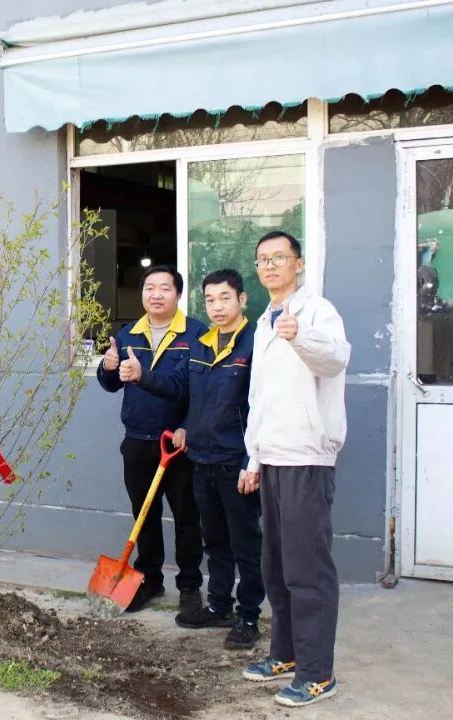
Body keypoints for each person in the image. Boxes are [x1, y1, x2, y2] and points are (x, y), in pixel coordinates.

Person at [239, 231, 350, 708]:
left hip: (306, 457)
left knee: (308, 570)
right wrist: (254, 456)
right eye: (262, 259)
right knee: (278, 567)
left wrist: (299, 334)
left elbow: (336, 358)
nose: (269, 266)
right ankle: (284, 654)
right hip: (273, 457)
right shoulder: (264, 321)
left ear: (298, 264)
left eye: (279, 258)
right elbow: (259, 397)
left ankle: (318, 673)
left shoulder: (317, 311)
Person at [132, 269, 263, 649]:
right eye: (210, 299)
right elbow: (185, 391)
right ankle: (219, 605)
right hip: (202, 459)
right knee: (215, 540)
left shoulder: (256, 343)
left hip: (236, 461)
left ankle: (248, 616)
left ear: (242, 300)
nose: (217, 306)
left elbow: (263, 406)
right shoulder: (202, 344)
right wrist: (143, 376)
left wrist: (252, 461)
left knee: (245, 543)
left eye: (225, 298)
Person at [97, 265, 207, 619]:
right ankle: (149, 579)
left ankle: (189, 585)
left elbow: (199, 389)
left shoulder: (196, 334)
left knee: (187, 517)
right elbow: (111, 384)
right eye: (149, 288)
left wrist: (188, 426)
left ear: (178, 294)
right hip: (137, 441)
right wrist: (107, 367)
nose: (156, 294)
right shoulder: (129, 333)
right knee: (144, 515)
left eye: (164, 288)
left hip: (178, 445)